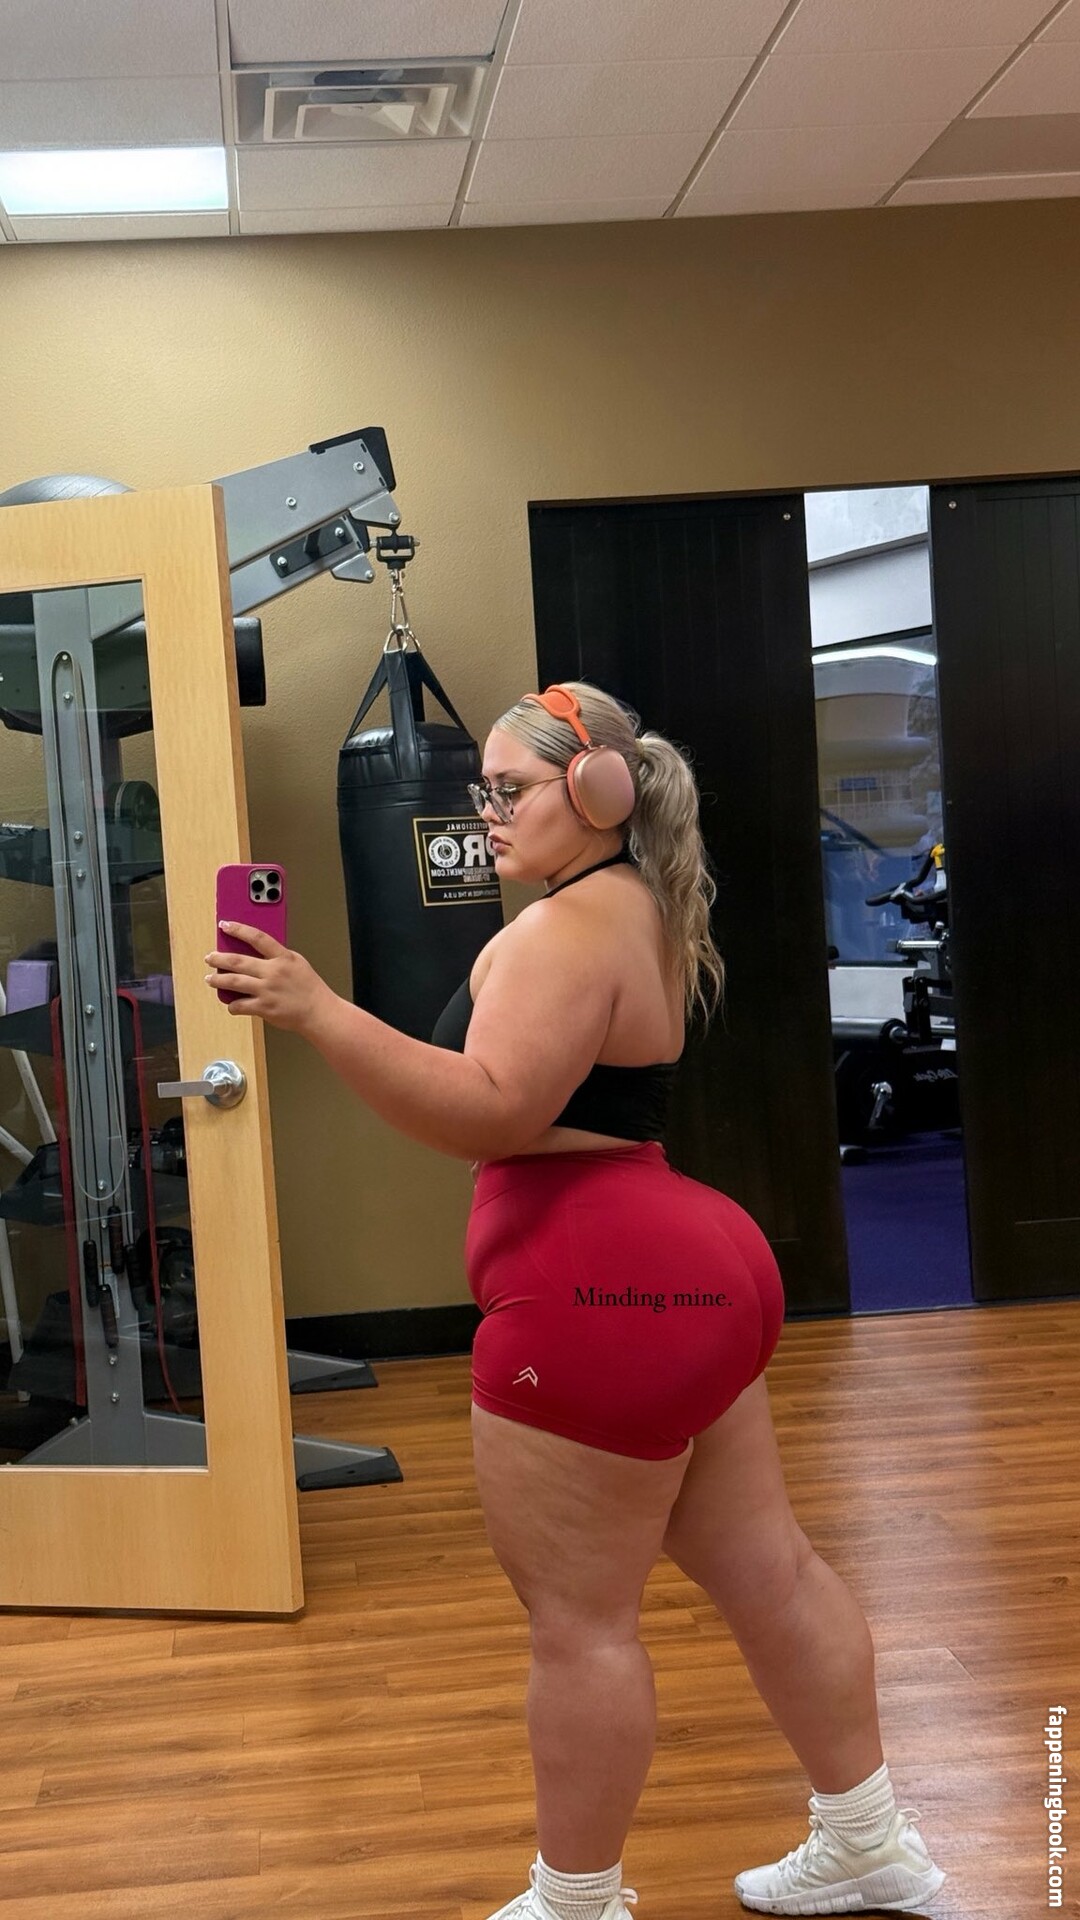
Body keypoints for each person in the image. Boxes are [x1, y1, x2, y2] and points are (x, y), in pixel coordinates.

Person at [204, 680, 946, 1919]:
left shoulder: (563, 930)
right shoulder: (636, 902)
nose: (485, 811)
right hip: (690, 1268)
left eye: (509, 788)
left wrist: (318, 1010)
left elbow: (494, 1111)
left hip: (597, 1291)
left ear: (597, 791)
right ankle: (869, 1841)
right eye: (481, 788)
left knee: (581, 1626)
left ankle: (576, 1901)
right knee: (774, 1575)